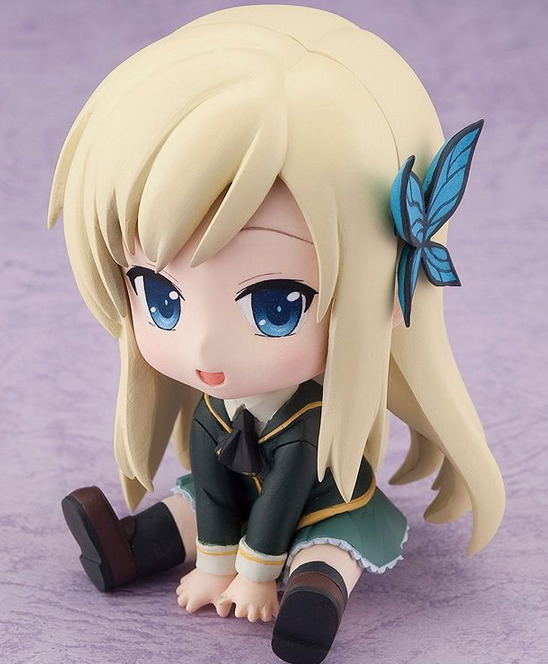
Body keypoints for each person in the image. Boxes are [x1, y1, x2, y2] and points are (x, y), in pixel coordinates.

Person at [49, 6, 505, 664]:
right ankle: (128, 547)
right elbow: (213, 483)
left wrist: (255, 574)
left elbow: (287, 494)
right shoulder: (213, 410)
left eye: (276, 306)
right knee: (191, 507)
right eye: (161, 297)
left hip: (324, 503)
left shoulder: (308, 425)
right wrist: (215, 566)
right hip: (239, 501)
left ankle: (313, 599)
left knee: (325, 550)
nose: (204, 348)